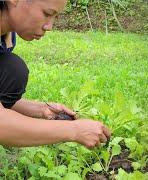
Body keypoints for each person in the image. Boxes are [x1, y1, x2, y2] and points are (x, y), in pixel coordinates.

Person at [0, 0, 111, 148]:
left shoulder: (7, 36)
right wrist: (74, 131)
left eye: (55, 17)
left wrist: (41, 110)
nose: (49, 26)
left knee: (12, 70)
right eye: (46, 14)